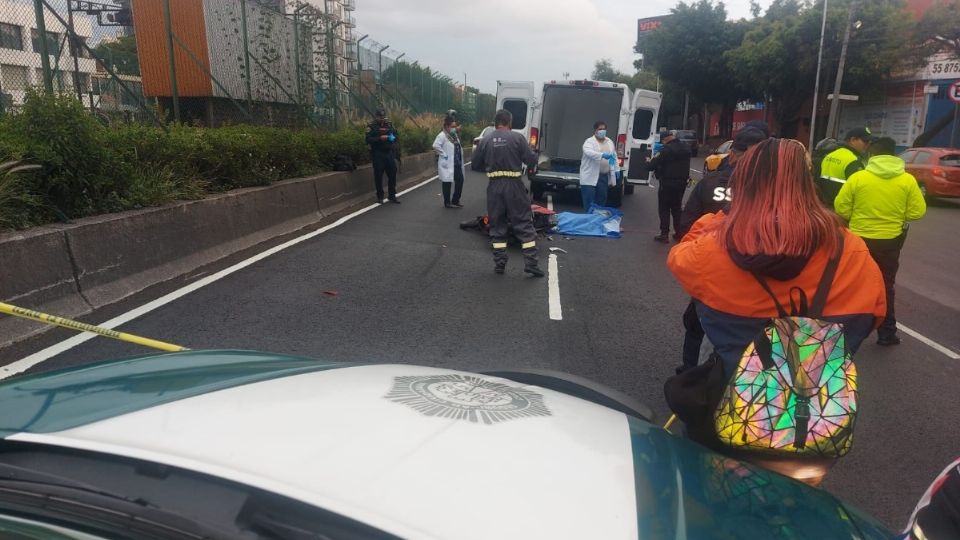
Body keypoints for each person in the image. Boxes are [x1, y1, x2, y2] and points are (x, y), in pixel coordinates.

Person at [668, 138, 886, 379]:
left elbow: (680, 258)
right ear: (807, 184)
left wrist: (723, 216)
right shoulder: (850, 248)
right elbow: (872, 314)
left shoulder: (712, 247)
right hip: (815, 402)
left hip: (734, 393)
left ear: (743, 183)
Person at [673, 125, 768, 374]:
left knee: (698, 325)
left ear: (734, 153)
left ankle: (691, 377)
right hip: (761, 281)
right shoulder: (776, 191)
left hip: (711, 272)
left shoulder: (710, 183)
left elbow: (686, 227)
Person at [834, 136, 926, 346]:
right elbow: (917, 212)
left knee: (852, 285)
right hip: (890, 242)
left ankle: (844, 333)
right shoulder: (907, 180)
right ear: (893, 155)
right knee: (885, 286)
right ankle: (887, 333)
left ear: (872, 155)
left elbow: (842, 208)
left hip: (858, 241)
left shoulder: (859, 178)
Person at [471, 109, 544, 277]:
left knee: (497, 225)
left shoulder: (486, 140)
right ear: (509, 122)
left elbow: (475, 165)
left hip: (494, 187)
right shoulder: (518, 138)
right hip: (514, 187)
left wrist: (492, 169)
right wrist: (533, 152)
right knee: (524, 224)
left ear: (495, 122)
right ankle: (531, 264)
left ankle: (500, 264)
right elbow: (531, 161)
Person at [648, 130, 692, 243]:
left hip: (667, 183)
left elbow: (652, 166)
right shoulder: (686, 148)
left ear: (666, 139)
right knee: (677, 208)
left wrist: (648, 161)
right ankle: (679, 233)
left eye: (662, 141)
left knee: (664, 208)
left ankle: (664, 234)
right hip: (681, 183)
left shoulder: (665, 150)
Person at [816, 127, 873, 207]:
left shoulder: (830, 155)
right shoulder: (853, 160)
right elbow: (859, 190)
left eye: (869, 142)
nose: (868, 145)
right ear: (853, 140)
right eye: (865, 141)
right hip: (841, 209)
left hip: (824, 206)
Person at [579, 121, 617, 209]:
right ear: (595, 130)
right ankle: (590, 221)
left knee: (601, 201)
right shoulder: (589, 142)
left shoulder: (609, 141)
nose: (602, 131)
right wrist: (602, 155)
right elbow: (589, 152)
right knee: (589, 203)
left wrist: (616, 169)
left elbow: (613, 155)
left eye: (604, 129)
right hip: (590, 177)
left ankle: (598, 221)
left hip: (603, 177)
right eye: (600, 129)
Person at [366, 108, 401, 204]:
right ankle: (380, 196)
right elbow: (368, 140)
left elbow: (396, 136)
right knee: (378, 175)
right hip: (378, 153)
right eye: (379, 117)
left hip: (389, 153)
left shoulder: (389, 125)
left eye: (383, 117)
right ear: (376, 116)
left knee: (392, 173)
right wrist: (380, 138)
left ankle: (392, 195)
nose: (382, 119)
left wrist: (391, 138)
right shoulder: (371, 126)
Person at [433, 115, 466, 208]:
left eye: (455, 126)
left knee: (460, 180)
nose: (454, 128)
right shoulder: (442, 135)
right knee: (447, 182)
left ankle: (455, 200)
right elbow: (435, 146)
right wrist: (444, 155)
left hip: (456, 163)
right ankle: (447, 202)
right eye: (453, 127)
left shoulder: (454, 135)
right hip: (448, 163)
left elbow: (457, 147)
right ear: (447, 126)